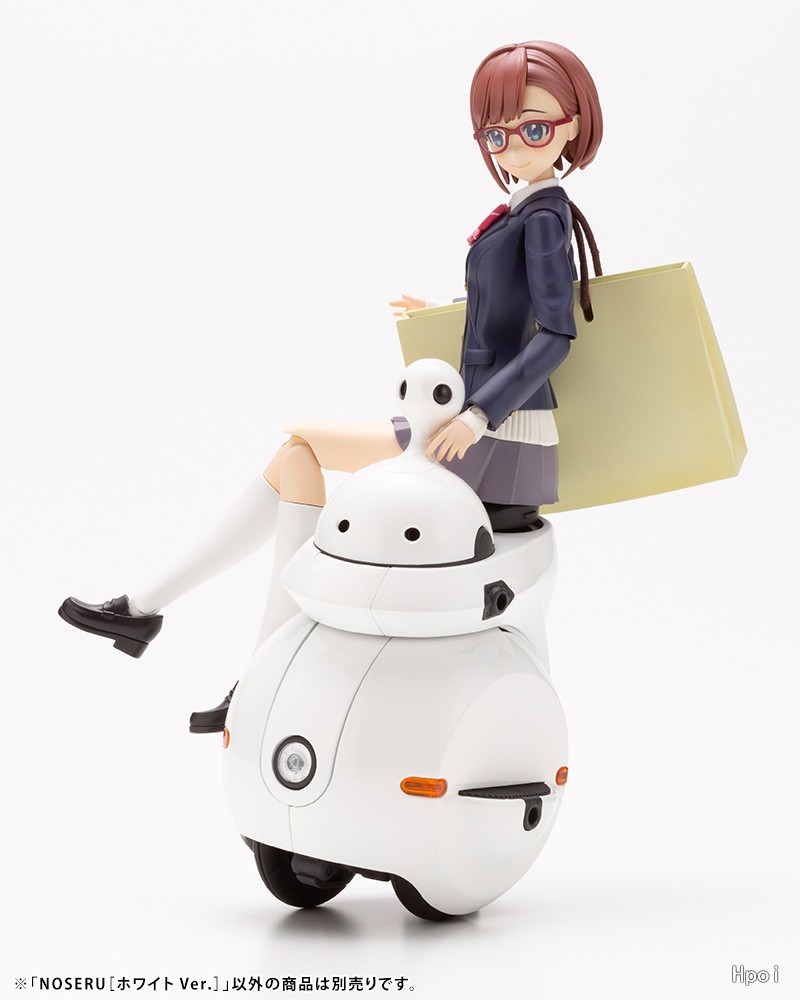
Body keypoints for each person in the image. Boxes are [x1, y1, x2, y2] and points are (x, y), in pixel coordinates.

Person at [59, 40, 602, 731]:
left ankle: (196, 640)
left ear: (572, 126)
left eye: (533, 129)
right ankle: (178, 629)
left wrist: (478, 419)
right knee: (296, 455)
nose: (512, 147)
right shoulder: (526, 210)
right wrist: (447, 316)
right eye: (496, 135)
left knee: (301, 444)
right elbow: (508, 310)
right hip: (467, 423)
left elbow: (555, 335)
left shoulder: (545, 217)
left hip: (496, 440)